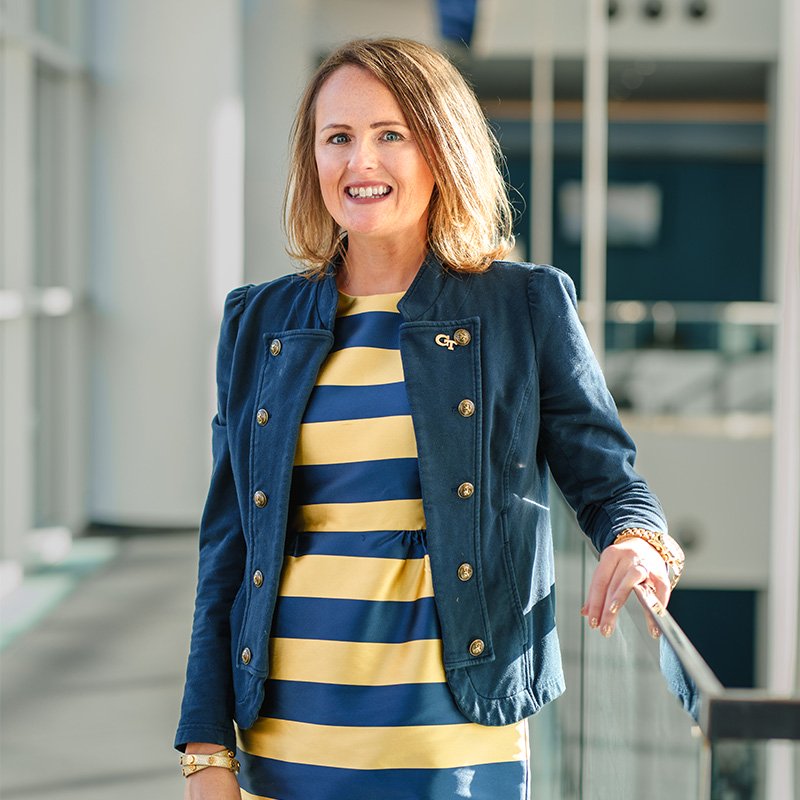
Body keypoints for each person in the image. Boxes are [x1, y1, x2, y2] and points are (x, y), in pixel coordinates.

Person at [175, 37, 684, 800]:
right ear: (312, 160)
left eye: (391, 135)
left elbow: (610, 484)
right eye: (338, 138)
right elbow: (227, 548)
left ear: (440, 148)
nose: (361, 162)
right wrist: (207, 752)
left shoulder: (522, 306)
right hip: (284, 740)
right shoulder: (258, 322)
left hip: (451, 745)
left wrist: (641, 543)